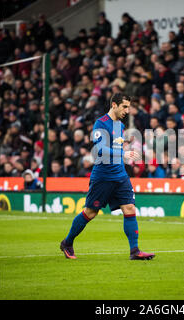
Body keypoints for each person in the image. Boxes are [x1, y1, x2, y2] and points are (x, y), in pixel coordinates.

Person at [60, 93, 155, 260]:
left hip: (120, 175)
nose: (127, 110)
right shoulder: (100, 124)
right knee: (90, 212)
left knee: (130, 208)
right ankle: (67, 242)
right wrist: (124, 153)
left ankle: (135, 251)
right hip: (103, 177)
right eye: (124, 106)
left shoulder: (120, 126)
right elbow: (100, 150)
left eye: (128, 107)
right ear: (114, 105)